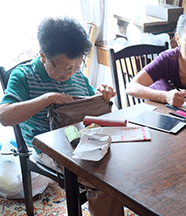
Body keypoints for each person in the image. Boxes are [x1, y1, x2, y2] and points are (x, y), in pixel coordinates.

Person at [0, 17, 118, 216]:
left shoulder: (77, 75)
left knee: (125, 166)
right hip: (47, 148)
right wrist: (47, 98)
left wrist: (102, 94)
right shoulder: (24, 76)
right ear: (43, 56)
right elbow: (4, 116)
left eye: (75, 67)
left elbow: (90, 107)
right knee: (103, 181)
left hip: (81, 141)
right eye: (62, 69)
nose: (69, 75)